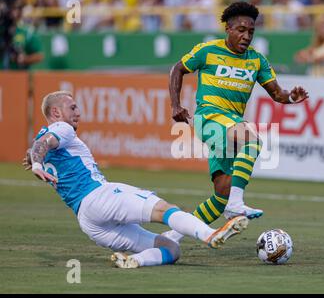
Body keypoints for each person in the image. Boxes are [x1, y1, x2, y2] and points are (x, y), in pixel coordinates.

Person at [22, 91, 249, 269]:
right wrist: (38, 163)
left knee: (171, 249)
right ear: (56, 112)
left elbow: (40, 146)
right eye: (72, 107)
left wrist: (35, 159)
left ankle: (136, 261)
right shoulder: (62, 128)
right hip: (99, 196)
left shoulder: (41, 140)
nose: (78, 112)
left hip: (89, 222)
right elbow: (45, 143)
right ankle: (211, 235)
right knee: (164, 210)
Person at [166, 1, 308, 241]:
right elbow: (177, 69)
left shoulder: (257, 61)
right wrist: (176, 105)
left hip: (230, 125)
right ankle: (237, 202)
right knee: (252, 142)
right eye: (241, 30)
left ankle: (171, 236)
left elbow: (277, 93)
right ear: (228, 30)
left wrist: (291, 99)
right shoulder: (208, 51)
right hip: (209, 117)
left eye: (251, 31)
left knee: (220, 196)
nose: (246, 36)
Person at [0, 0, 44, 70]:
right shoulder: (2, 29)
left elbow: (39, 55)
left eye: (17, 9)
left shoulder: (26, 31)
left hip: (18, 75)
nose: (14, 12)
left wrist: (24, 59)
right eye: (12, 8)